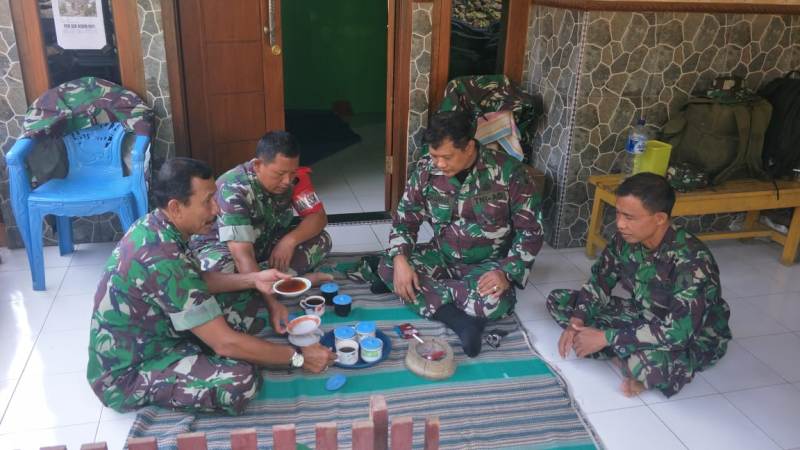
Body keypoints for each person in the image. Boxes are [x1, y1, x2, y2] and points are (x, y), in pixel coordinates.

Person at [87, 158, 336, 415]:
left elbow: (196, 280)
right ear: (176, 207)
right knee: (241, 380)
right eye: (207, 201)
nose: (216, 209)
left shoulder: (158, 225)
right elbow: (225, 344)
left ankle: (214, 346)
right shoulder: (161, 254)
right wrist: (297, 356)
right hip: (132, 371)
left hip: (166, 328)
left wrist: (253, 279)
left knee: (248, 300)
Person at [376, 110, 544, 357]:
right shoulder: (426, 170)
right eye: (434, 156)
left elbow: (531, 231)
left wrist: (506, 273)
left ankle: (435, 295)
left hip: (486, 266)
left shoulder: (510, 173)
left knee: (495, 301)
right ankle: (462, 320)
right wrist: (401, 259)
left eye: (446, 157)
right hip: (441, 255)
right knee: (390, 265)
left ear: (469, 147)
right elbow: (405, 219)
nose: (439, 164)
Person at [547, 172, 731, 398]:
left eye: (630, 217)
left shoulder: (693, 262)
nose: (620, 224)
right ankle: (618, 349)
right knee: (561, 301)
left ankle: (625, 355)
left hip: (690, 337)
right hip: (643, 315)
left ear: (660, 218)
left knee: (645, 364)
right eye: (618, 214)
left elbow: (678, 334)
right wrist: (576, 323)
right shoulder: (626, 239)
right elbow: (600, 281)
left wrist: (606, 337)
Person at [191, 131, 332, 333]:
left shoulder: (294, 178)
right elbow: (242, 256)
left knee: (321, 240)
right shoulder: (234, 188)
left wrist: (289, 241)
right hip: (226, 250)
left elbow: (319, 218)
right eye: (279, 174)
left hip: (263, 243)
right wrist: (272, 304)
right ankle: (282, 283)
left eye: (292, 173)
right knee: (220, 270)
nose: (287, 181)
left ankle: (256, 285)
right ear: (258, 165)